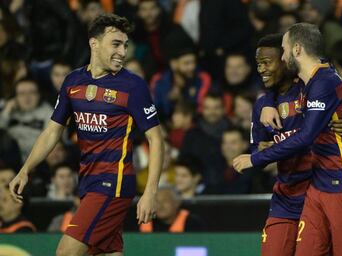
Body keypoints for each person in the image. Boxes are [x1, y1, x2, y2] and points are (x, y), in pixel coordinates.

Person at [9, 13, 164, 256]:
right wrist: (25, 169)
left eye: (125, 45)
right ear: (94, 43)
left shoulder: (132, 86)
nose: (123, 52)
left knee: (66, 253)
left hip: (113, 183)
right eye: (115, 44)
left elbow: (156, 139)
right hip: (88, 182)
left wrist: (150, 192)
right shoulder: (73, 81)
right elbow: (52, 131)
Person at [234, 23, 342, 255]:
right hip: (303, 192)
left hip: (341, 182)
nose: (260, 69)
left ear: (294, 51)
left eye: (284, 51)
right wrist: (267, 103)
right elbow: (260, 144)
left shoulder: (319, 83)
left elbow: (308, 135)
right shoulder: (294, 92)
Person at [139, 186, 205, 232]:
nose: (160, 206)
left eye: (165, 201)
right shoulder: (144, 221)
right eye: (157, 201)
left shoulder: (192, 223)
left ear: (177, 202)